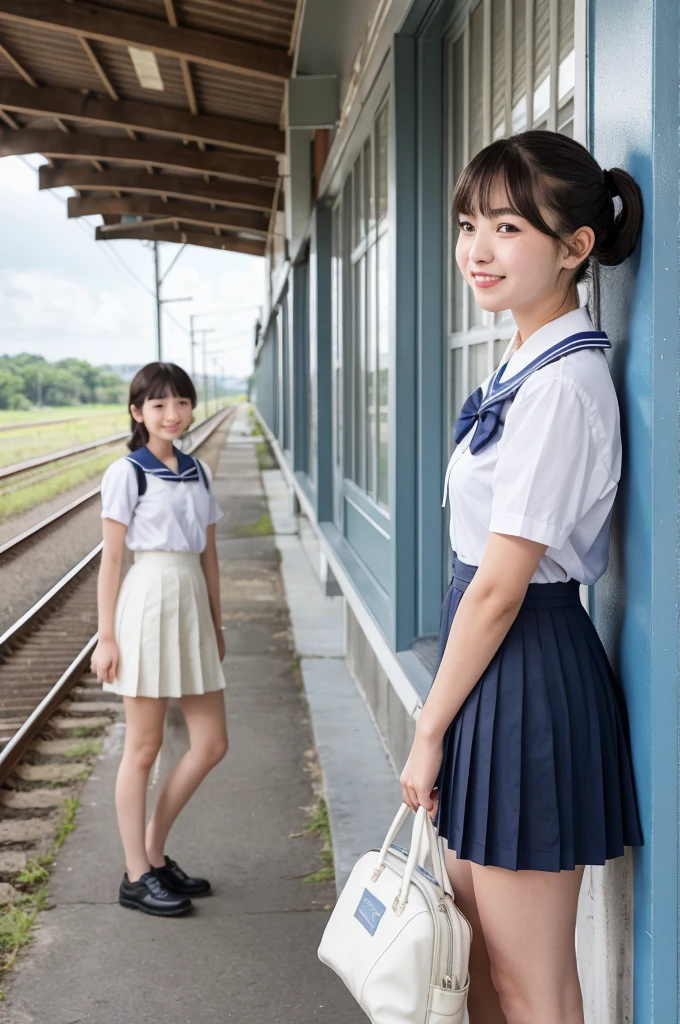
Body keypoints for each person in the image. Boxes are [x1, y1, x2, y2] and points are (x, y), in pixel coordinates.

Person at [400, 131, 643, 1024]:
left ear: (576, 246)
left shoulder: (564, 385)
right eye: (470, 224)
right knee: (475, 955)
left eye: (508, 226)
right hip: (490, 665)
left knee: (531, 983)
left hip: (526, 662)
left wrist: (427, 732)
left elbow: (502, 585)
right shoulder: (525, 363)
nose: (478, 248)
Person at [90, 362, 228, 917]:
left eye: (182, 404)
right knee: (143, 749)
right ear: (137, 412)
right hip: (146, 603)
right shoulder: (129, 473)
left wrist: (217, 623)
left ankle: (152, 848)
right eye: (159, 405)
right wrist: (106, 637)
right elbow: (112, 560)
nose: (173, 415)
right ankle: (135, 874)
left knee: (212, 743)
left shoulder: (198, 470)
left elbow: (210, 555)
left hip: (191, 603)